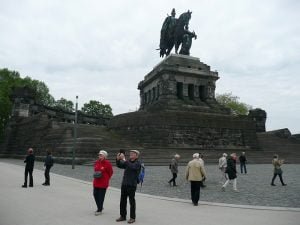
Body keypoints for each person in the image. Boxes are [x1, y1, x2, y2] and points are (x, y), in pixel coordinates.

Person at [116, 150, 141, 224]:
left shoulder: (138, 163)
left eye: (133, 154)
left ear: (136, 156)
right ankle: (123, 216)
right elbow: (120, 165)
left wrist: (124, 159)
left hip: (132, 185)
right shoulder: (128, 162)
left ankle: (132, 217)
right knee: (122, 201)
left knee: (131, 201)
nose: (131, 154)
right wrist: (118, 160)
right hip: (124, 184)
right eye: (130, 153)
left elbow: (132, 167)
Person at [93, 150, 113, 215]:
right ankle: (100, 207)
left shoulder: (107, 163)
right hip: (96, 181)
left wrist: (106, 178)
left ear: (104, 156)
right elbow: (95, 170)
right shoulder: (97, 162)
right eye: (99, 155)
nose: (99, 156)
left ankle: (99, 210)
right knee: (95, 194)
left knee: (101, 196)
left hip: (103, 182)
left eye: (101, 155)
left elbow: (111, 172)